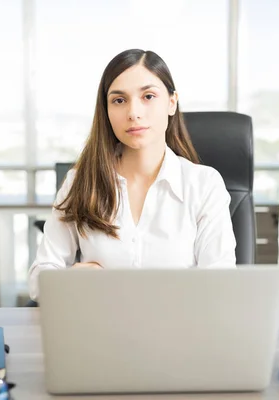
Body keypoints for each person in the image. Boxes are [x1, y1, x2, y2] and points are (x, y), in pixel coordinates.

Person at [28, 49, 236, 301]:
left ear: (172, 102)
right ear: (106, 110)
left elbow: (221, 287)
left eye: (148, 96)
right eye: (119, 100)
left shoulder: (204, 185)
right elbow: (39, 280)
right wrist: (71, 279)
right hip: (98, 331)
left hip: (180, 333)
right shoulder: (80, 182)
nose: (133, 112)